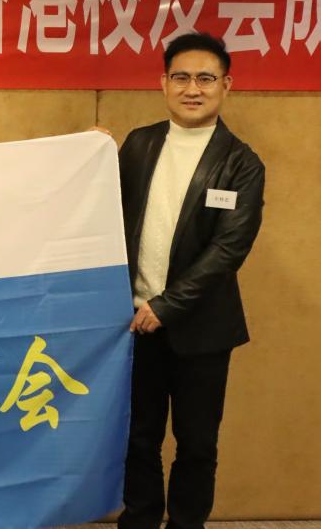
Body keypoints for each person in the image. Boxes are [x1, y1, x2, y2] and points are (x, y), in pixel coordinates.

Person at [116, 33, 265, 529]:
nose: (192, 89)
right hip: (134, 323)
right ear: (163, 83)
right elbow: (102, 211)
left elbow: (228, 250)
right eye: (181, 77)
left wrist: (166, 306)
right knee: (138, 439)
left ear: (226, 85)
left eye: (205, 78)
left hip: (202, 330)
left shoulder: (242, 162)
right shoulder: (138, 144)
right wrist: (88, 154)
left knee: (197, 445)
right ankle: (139, 521)